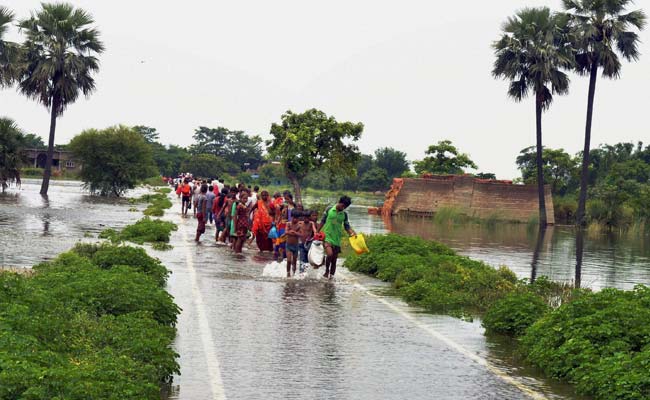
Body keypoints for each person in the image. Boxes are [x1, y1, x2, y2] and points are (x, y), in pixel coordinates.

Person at [318, 196, 356, 279]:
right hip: (327, 236)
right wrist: (316, 232)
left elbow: (347, 226)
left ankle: (331, 277)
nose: (343, 208)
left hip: (337, 239)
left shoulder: (344, 214)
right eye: (342, 206)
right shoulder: (329, 209)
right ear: (339, 202)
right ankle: (326, 271)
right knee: (330, 254)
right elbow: (322, 221)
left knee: (334, 260)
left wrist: (352, 233)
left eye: (345, 207)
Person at [285, 210, 301, 277]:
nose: (295, 219)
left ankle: (294, 274)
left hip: (296, 246)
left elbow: (300, 234)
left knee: (294, 261)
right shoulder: (288, 224)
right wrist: (292, 232)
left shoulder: (299, 225)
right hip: (289, 245)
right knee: (289, 260)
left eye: (297, 218)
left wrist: (294, 232)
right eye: (294, 218)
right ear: (291, 217)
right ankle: (288, 273)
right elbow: (286, 232)